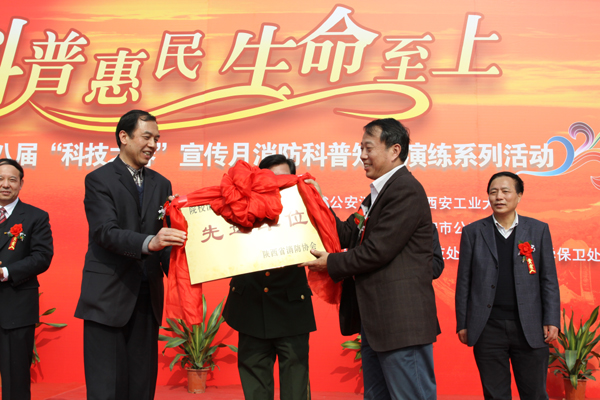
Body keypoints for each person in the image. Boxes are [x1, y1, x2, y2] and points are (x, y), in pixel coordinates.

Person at [302, 118, 438, 400]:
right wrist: (319, 202)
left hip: (401, 324)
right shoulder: (376, 195)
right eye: (360, 148)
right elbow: (347, 234)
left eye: (368, 148)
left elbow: (378, 250)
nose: (362, 156)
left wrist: (330, 263)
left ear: (394, 150)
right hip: (378, 323)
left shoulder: (405, 189)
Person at [74, 110, 186, 400]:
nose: (153, 145)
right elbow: (105, 232)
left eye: (157, 139)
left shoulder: (162, 183)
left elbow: (165, 239)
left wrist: (186, 265)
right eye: (146, 137)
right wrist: (150, 242)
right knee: (106, 387)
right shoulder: (98, 179)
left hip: (147, 296)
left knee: (142, 385)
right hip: (108, 296)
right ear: (123, 137)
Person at [455, 171, 560, 400]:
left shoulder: (538, 230)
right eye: (493, 192)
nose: (499, 197)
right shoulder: (473, 232)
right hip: (487, 328)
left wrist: (551, 319)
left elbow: (548, 279)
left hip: (530, 326)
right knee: (495, 395)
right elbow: (464, 281)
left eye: (505, 191)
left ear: (519, 195)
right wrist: (463, 323)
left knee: (535, 394)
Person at [223, 154, 316, 400]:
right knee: (255, 386)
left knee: (296, 388)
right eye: (269, 179)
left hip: (291, 309)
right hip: (250, 307)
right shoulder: (238, 204)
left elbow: (329, 234)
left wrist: (318, 200)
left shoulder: (305, 206)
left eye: (283, 180)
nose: (276, 185)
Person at [0, 158, 53, 400]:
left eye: (12, 179)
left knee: (16, 380)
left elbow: (42, 257)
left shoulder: (35, 216)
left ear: (21, 183)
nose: (5, 184)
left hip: (16, 309)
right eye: (1, 179)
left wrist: (6, 272)